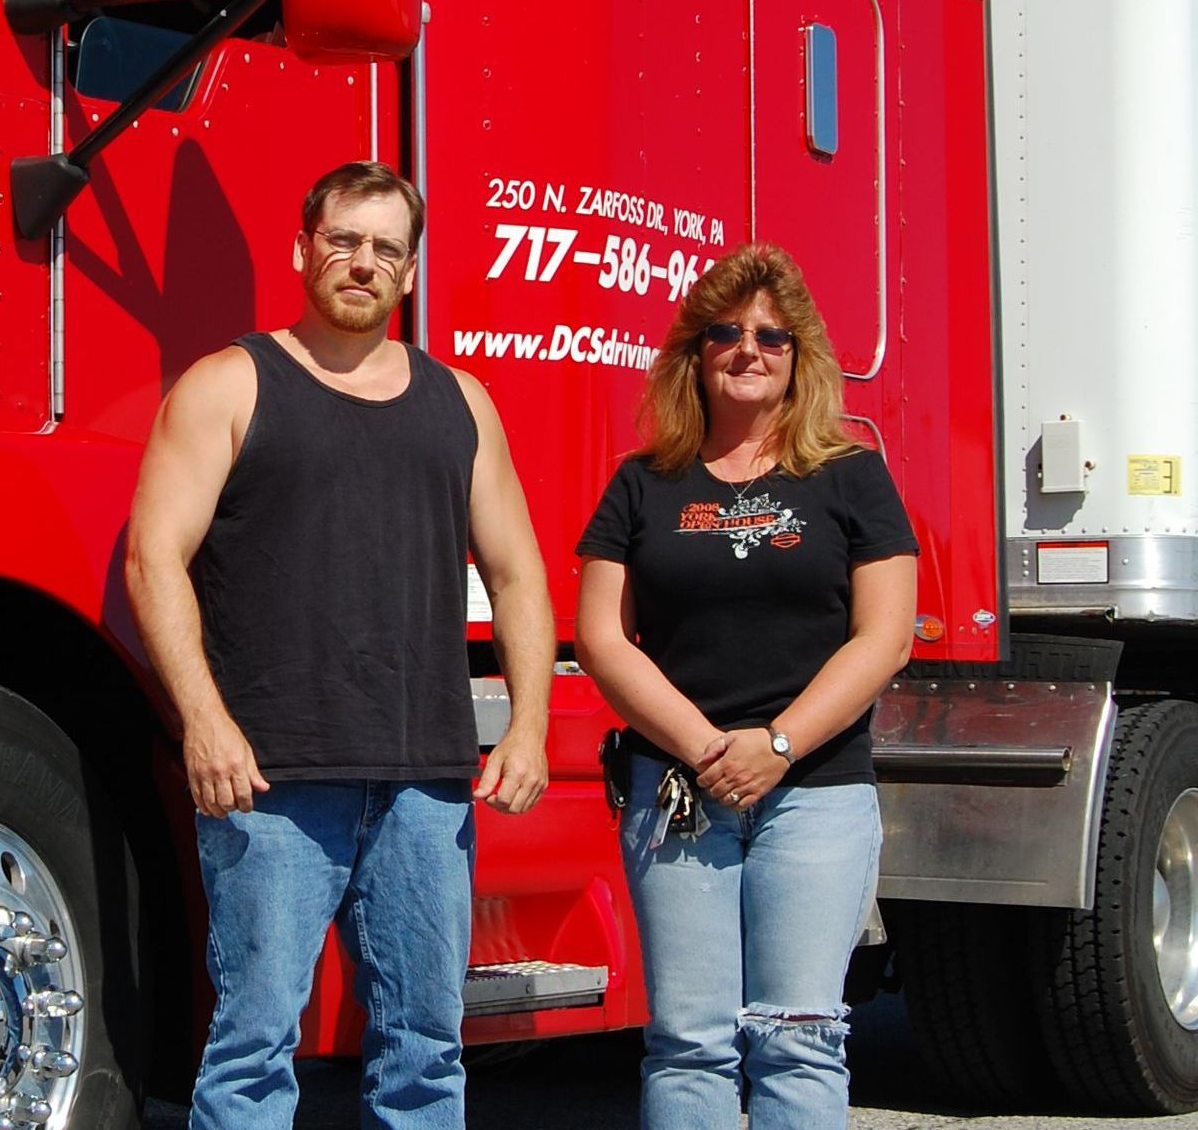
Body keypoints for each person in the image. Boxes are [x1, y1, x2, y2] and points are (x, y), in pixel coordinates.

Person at [125, 161, 555, 1130]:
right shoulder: (231, 386)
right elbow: (153, 559)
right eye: (345, 241)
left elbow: (521, 574)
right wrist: (205, 722)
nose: (364, 263)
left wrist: (529, 726)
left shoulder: (463, 404)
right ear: (303, 248)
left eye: (386, 249)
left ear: (410, 270)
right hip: (271, 781)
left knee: (425, 1057)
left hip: (426, 785)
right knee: (251, 1052)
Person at [573, 242, 918, 1130]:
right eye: (725, 331)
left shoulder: (851, 475)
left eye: (772, 334)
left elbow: (882, 638)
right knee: (689, 1042)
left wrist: (775, 747)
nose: (749, 349)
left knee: (799, 1038)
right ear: (694, 351)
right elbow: (601, 638)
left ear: (801, 356)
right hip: (679, 790)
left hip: (816, 793)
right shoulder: (642, 484)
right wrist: (706, 749)